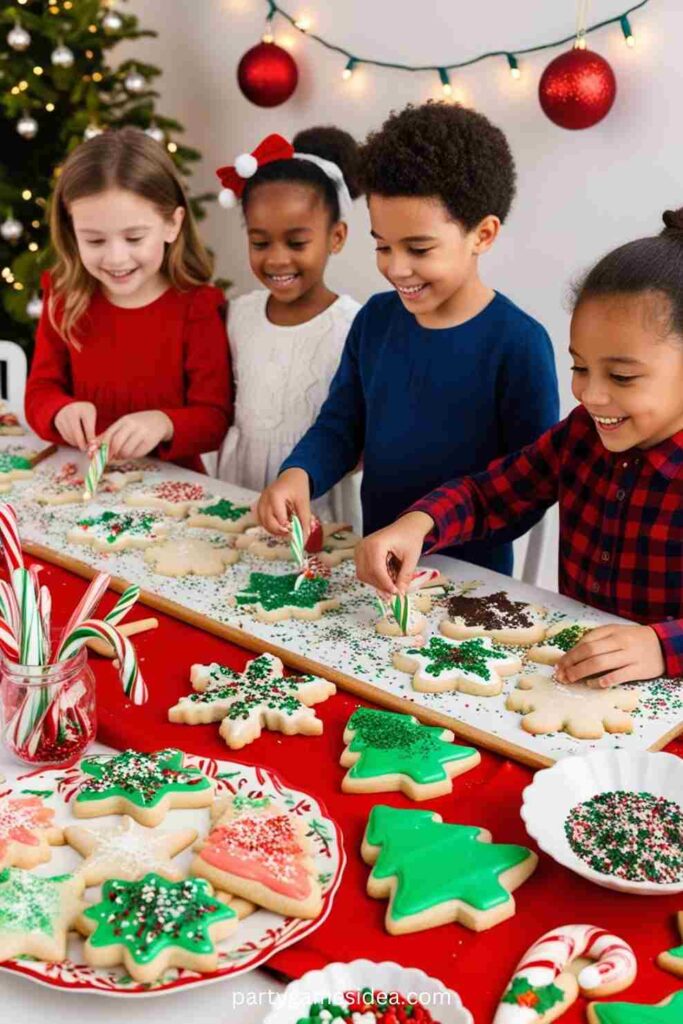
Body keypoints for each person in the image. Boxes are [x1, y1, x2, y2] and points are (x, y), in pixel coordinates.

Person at [355, 209, 683, 687]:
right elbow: (491, 497)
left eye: (622, 376)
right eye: (579, 367)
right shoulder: (581, 435)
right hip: (570, 682)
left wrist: (660, 645)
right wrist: (417, 524)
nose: (590, 395)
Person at [257, 102, 558, 573]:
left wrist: (430, 526)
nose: (396, 268)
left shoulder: (519, 344)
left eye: (418, 248)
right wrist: (300, 474)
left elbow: (528, 489)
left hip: (472, 584)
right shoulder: (376, 320)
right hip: (374, 565)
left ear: (482, 234)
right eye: (382, 245)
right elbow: (341, 425)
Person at [25, 127, 231, 472]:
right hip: (78, 478)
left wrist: (163, 423)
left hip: (172, 492)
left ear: (172, 224)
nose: (116, 259)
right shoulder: (64, 298)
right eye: (94, 241)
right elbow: (40, 392)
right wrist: (59, 410)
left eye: (134, 237)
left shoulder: (197, 307)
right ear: (72, 231)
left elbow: (214, 418)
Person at [215, 128, 361, 519]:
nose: (277, 260)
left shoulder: (354, 326)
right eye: (261, 243)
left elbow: (362, 433)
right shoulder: (237, 315)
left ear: (336, 237)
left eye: (296, 243)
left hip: (316, 506)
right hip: (238, 492)